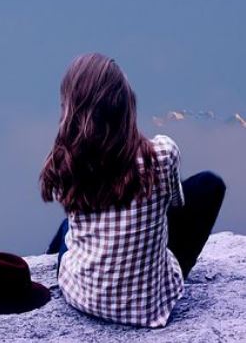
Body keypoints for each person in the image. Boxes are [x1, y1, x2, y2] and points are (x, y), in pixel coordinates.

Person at [40, 53, 226, 328]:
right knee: (209, 184)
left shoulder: (68, 160)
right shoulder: (162, 153)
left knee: (68, 226)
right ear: (126, 103)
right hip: (150, 306)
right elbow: (174, 204)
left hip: (81, 295)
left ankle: (48, 258)